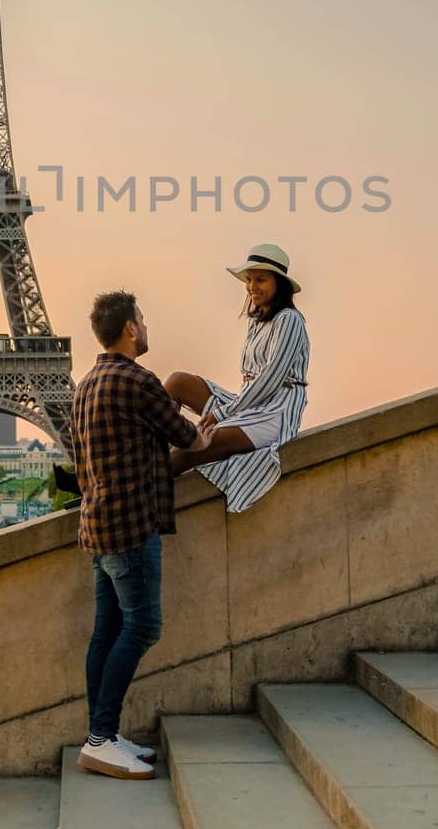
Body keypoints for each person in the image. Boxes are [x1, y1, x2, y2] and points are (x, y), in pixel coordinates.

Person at [72, 289, 210, 781]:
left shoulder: (86, 384)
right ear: (130, 328)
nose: (146, 328)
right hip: (132, 526)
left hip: (97, 525)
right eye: (143, 320)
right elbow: (189, 438)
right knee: (142, 628)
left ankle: (101, 735)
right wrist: (208, 431)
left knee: (106, 632)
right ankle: (101, 739)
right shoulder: (137, 380)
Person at [165, 243, 309, 512]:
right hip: (248, 402)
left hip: (274, 412)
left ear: (279, 284)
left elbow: (269, 381)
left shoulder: (290, 320)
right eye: (249, 279)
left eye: (261, 280)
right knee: (177, 382)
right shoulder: (257, 322)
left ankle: (124, 482)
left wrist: (222, 413)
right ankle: (144, 453)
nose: (252, 286)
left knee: (196, 446)